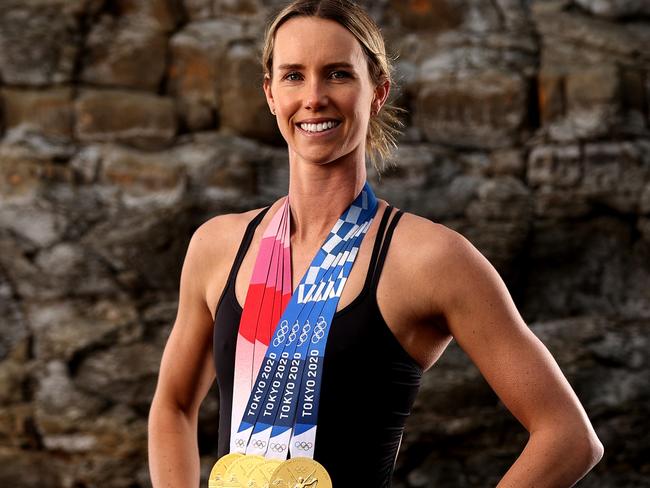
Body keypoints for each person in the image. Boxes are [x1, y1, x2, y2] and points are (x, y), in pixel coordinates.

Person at [148, 1, 604, 486]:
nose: (315, 97)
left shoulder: (431, 259)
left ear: (378, 92)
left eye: (338, 74)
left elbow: (570, 437)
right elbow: (173, 405)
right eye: (293, 76)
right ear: (269, 93)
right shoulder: (217, 246)